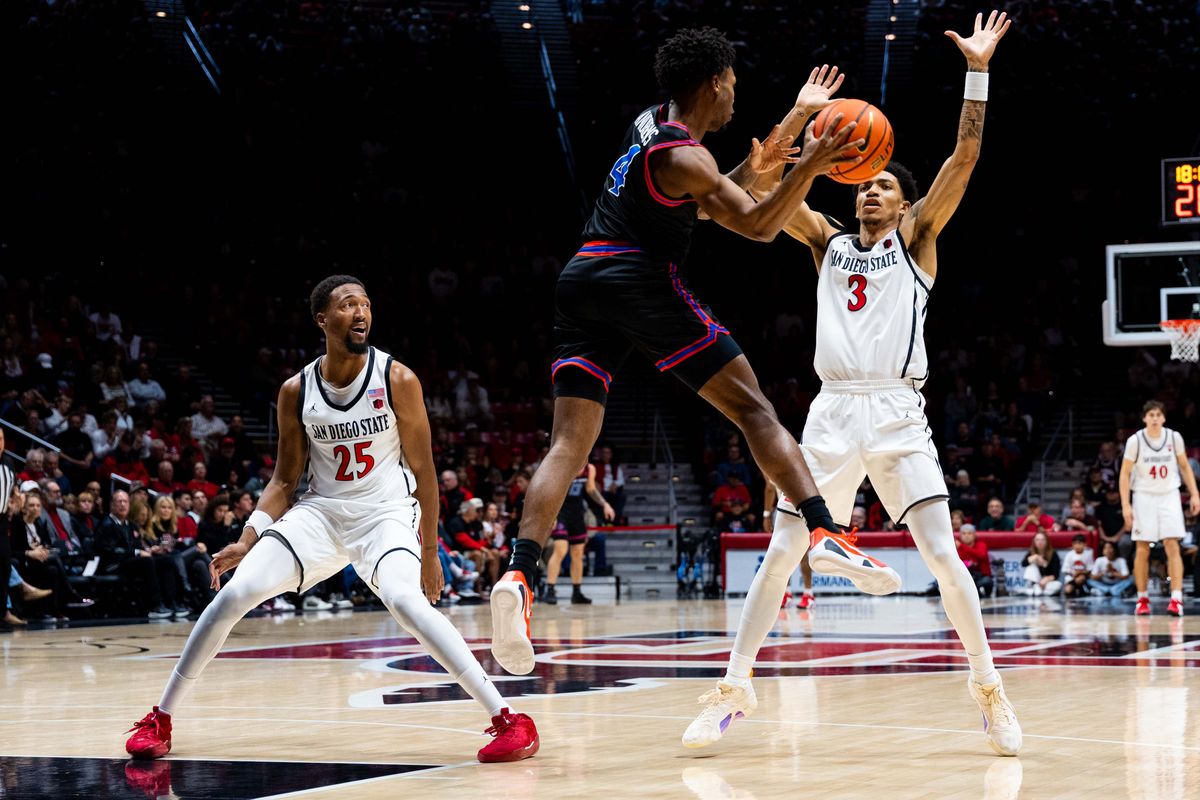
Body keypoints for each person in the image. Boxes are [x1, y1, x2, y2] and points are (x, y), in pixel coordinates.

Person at [490, 27, 898, 677]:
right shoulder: (684, 158)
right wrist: (815, 166)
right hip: (637, 279)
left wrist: (796, 116)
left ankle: (518, 575)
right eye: (733, 81)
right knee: (756, 410)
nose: (736, 92)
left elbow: (724, 188)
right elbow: (757, 224)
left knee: (568, 443)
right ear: (714, 82)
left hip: (582, 280)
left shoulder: (651, 124)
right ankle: (825, 532)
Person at [684, 11, 1019, 757]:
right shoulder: (824, 241)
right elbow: (761, 182)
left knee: (941, 553)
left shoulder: (920, 242)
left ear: (904, 204)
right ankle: (733, 689)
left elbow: (963, 156)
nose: (871, 193)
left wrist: (978, 69)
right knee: (780, 551)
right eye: (862, 187)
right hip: (832, 410)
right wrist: (801, 118)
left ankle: (989, 691)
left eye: (885, 187)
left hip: (898, 410)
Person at [123, 276, 537, 763]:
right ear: (323, 319)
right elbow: (283, 480)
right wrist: (248, 538)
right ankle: (161, 717)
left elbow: (425, 471)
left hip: (384, 515)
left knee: (406, 602)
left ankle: (510, 720)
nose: (361, 312)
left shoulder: (397, 379)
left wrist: (430, 554)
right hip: (320, 514)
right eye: (348, 304)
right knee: (236, 592)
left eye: (365, 303)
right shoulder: (296, 390)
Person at [1121, 400, 1200, 617]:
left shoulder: (1174, 437)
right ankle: (1142, 599)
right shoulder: (1135, 441)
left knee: (1172, 545)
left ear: (1163, 418)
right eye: (1151, 415)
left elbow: (1184, 466)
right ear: (1144, 418)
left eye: (1158, 415)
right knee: (1142, 546)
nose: (1155, 418)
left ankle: (1176, 599)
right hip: (1143, 496)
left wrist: (1194, 494)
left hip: (1169, 495)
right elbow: (1125, 474)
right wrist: (1126, 505)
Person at [545, 462, 613, 605]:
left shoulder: (590, 468)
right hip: (561, 513)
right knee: (561, 550)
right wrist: (552, 515)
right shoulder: (564, 464)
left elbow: (591, 489)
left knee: (577, 553)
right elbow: (552, 490)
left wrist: (605, 504)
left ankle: (577, 592)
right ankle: (550, 589)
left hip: (577, 514)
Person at [957, 524, 994, 598]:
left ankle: (974, 590)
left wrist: (962, 546)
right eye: (964, 533)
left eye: (969, 533)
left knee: (987, 581)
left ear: (974, 535)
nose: (966, 536)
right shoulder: (957, 549)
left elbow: (981, 555)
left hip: (981, 578)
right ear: (960, 536)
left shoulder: (981, 545)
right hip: (965, 578)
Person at [1020, 531, 1062, 596]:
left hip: (1047, 582)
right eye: (1037, 540)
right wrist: (1035, 557)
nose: (1040, 542)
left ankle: (1036, 592)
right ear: (1034, 542)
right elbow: (1023, 564)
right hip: (1035, 581)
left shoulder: (1053, 554)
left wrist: (1046, 579)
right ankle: (1036, 589)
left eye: (1042, 540)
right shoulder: (1031, 553)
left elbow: (1055, 574)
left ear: (1047, 541)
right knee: (1031, 565)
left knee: (1058, 585)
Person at [1059, 534, 1095, 598]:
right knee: (1068, 590)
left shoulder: (1088, 554)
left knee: (1080, 578)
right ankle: (1078, 589)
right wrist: (1073, 573)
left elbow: (1090, 569)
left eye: (1079, 543)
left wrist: (1081, 573)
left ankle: (1083, 588)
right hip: (1071, 578)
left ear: (1084, 544)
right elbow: (1064, 569)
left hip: (1084, 578)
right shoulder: (1069, 554)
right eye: (1075, 543)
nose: (1077, 546)